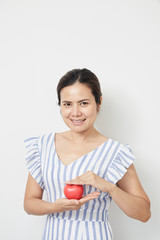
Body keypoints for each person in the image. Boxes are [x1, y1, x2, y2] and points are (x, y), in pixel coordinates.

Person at [24, 68, 151, 240]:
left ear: (99, 102)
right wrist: (55, 206)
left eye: (83, 103)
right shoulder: (43, 145)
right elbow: (29, 203)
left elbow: (144, 214)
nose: (75, 112)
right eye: (67, 104)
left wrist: (109, 187)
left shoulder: (115, 153)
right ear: (60, 105)